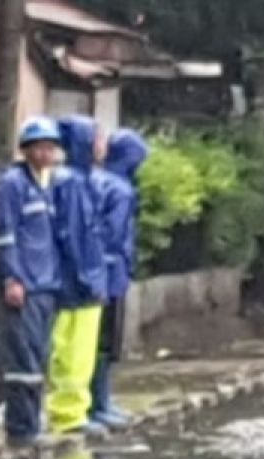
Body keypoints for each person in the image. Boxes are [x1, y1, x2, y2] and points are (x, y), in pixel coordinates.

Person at [0, 117, 63, 447]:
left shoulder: (42, 186)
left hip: (45, 285)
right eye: (41, 147)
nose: (47, 153)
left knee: (39, 355)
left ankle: (32, 423)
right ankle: (21, 428)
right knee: (23, 359)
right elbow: (4, 235)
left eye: (51, 147)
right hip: (25, 284)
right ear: (27, 150)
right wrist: (11, 278)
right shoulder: (11, 185)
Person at [48, 115, 108, 437]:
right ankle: (68, 414)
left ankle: (73, 410)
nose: (103, 145)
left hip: (81, 278)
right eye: (97, 138)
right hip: (77, 282)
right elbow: (74, 235)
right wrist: (88, 278)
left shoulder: (80, 180)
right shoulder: (71, 183)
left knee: (77, 349)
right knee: (72, 348)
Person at [90, 129, 149, 429]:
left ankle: (98, 403)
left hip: (97, 273)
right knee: (105, 344)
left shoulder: (96, 181)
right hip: (111, 276)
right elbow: (113, 235)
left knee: (93, 343)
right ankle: (98, 403)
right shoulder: (121, 190)